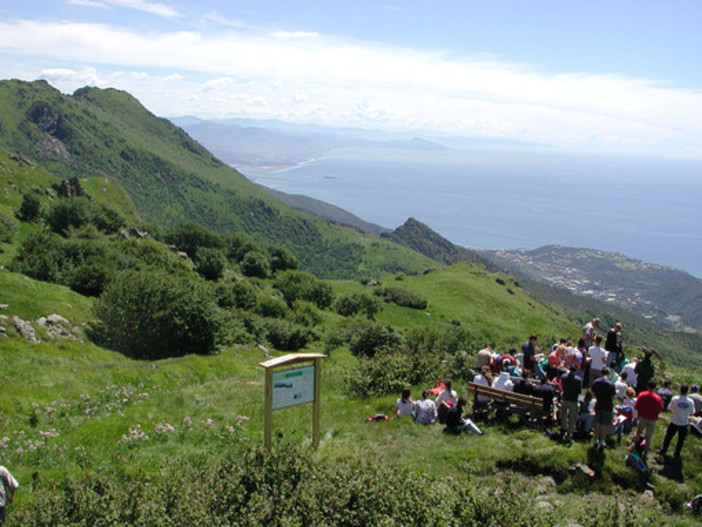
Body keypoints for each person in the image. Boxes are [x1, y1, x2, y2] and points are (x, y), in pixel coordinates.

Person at [659, 384, 696, 458]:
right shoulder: (690, 401)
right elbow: (692, 412)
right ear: (687, 391)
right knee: (681, 440)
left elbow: (669, 409)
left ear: (680, 390)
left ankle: (663, 449)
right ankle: (677, 453)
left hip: (674, 421)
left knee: (668, 437)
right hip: (684, 422)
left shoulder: (675, 399)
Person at [633, 380, 664, 453]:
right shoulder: (658, 398)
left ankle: (634, 446)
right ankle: (645, 451)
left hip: (643, 417)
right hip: (652, 419)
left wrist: (637, 416)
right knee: (648, 436)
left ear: (647, 386)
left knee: (638, 432)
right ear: (655, 388)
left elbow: (636, 406)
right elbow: (660, 408)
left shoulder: (642, 394)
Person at [590, 367, 616, 449]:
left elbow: (592, 393)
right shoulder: (611, 384)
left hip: (598, 404)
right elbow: (613, 397)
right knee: (604, 424)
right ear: (608, 374)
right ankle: (602, 441)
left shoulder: (596, 382)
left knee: (598, 423)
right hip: (607, 406)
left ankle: (596, 440)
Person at [560, 364, 583, 441]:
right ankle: (569, 434)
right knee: (572, 418)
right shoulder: (578, 380)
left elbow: (562, 387)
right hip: (573, 400)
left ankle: (563, 429)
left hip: (565, 398)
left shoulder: (563, 377)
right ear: (575, 370)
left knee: (564, 415)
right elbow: (579, 391)